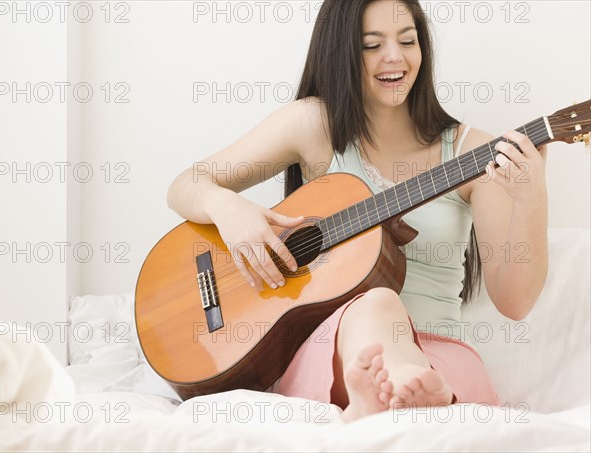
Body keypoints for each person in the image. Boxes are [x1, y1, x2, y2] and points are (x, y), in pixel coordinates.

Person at [167, 0, 548, 423]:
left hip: (437, 356)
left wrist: (532, 196)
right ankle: (389, 386)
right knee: (377, 303)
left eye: (408, 40)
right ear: (341, 52)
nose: (395, 57)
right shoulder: (314, 126)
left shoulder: (474, 152)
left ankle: (394, 389)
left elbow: (515, 303)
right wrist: (229, 209)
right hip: (333, 350)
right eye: (372, 45)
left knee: (385, 310)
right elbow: (186, 183)